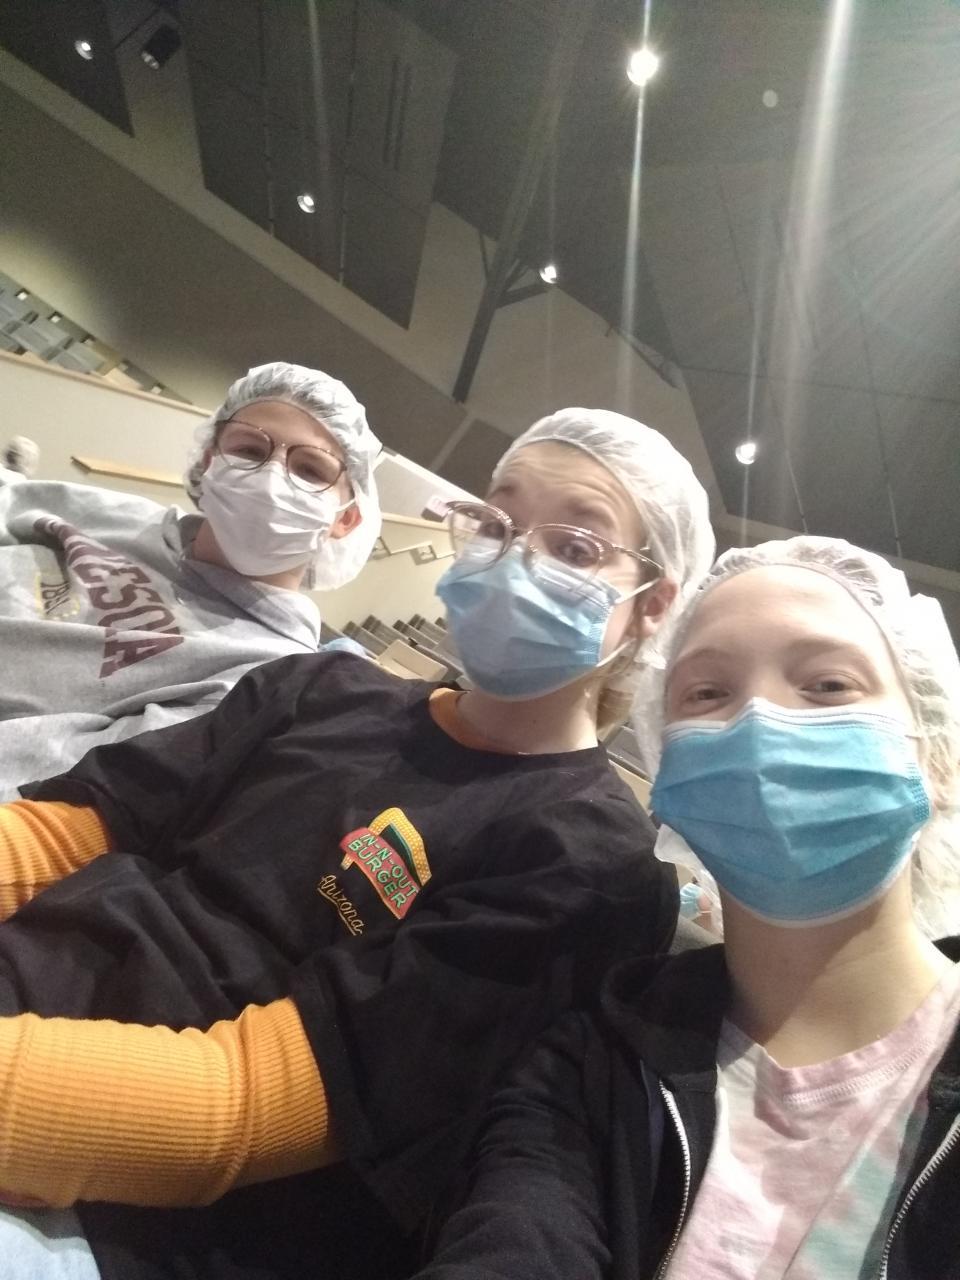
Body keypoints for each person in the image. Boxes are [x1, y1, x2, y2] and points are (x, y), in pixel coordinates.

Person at [0, 408, 714, 1280]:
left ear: (653, 604)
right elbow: (69, 829)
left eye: (574, 547)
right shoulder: (321, 688)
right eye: (497, 522)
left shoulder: (585, 862)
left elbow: (240, 1108)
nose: (513, 560)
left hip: (118, 1198)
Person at [415, 536, 960, 1280]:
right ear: (668, 764)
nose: (758, 720)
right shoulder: (590, 1068)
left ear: (937, 755)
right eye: (706, 694)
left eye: (829, 685)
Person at [0, 360, 381, 798]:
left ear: (346, 519)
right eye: (249, 450)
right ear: (209, 461)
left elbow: (57, 775)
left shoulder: (260, 678)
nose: (272, 478)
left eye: (310, 470)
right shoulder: (124, 516)